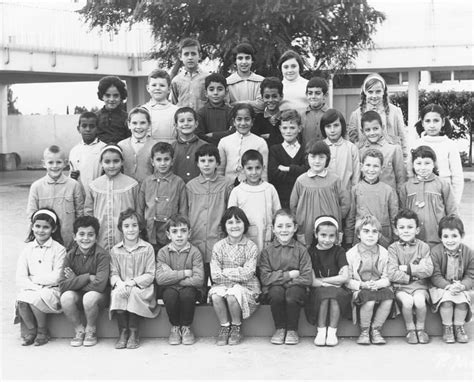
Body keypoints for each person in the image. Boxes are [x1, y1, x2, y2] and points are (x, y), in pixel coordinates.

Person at [209, 207, 261, 346]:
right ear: (225, 226)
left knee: (232, 294)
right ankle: (225, 326)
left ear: (244, 225)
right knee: (215, 295)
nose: (234, 226)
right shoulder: (218, 246)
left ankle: (236, 327)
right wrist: (237, 272)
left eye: (238, 222)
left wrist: (225, 271)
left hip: (247, 287)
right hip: (222, 285)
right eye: (230, 222)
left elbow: (248, 273)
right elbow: (215, 275)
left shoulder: (251, 246)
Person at [259, 209, 312, 345]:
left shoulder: (301, 250)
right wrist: (289, 275)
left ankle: (292, 330)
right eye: (280, 226)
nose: (284, 230)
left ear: (295, 228)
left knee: (292, 294)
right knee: (276, 293)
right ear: (273, 229)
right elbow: (265, 278)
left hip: (295, 289)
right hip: (275, 289)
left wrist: (285, 282)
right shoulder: (267, 251)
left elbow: (307, 277)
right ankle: (280, 328)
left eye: (288, 226)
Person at [109, 209, 159, 349]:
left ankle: (133, 332)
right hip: (122, 286)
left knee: (134, 293)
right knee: (117, 293)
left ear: (140, 227)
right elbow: (113, 273)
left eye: (134, 225)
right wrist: (120, 284)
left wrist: (132, 283)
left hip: (142, 289)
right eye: (126, 226)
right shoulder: (115, 250)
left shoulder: (147, 248)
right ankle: (123, 332)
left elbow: (150, 274)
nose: (130, 229)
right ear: (121, 228)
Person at [15, 208, 65, 346]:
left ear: (53, 229)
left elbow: (56, 277)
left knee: (36, 298)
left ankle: (43, 331)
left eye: (46, 227)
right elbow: (20, 277)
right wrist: (32, 285)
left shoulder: (59, 249)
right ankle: (32, 330)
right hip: (31, 288)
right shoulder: (27, 249)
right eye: (37, 226)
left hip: (52, 290)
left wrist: (34, 279)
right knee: (22, 300)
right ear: (32, 227)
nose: (41, 230)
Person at [186, 144, 234, 288]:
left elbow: (230, 211)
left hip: (218, 238)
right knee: (199, 282)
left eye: (210, 160)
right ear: (197, 163)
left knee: (219, 282)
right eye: (203, 160)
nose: (206, 164)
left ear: (218, 163)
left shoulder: (226, 184)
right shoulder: (190, 186)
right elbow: (185, 212)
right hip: (197, 238)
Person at [59, 216, 110, 347]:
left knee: (89, 297)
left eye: (90, 234)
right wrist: (87, 277)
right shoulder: (70, 255)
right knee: (66, 297)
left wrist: (75, 280)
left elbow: (99, 285)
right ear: (74, 236)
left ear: (96, 237)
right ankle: (79, 329)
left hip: (99, 296)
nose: (86, 238)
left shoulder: (102, 255)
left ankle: (91, 330)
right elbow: (63, 285)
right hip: (81, 293)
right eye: (81, 234)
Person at [155, 214, 204, 345]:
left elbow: (199, 280)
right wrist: (184, 273)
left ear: (189, 233)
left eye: (183, 231)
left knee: (187, 294)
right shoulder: (163, 253)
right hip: (170, 289)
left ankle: (186, 327)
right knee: (170, 295)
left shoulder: (195, 252)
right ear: (168, 234)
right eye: (174, 231)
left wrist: (172, 277)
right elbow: (160, 279)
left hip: (190, 289)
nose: (179, 235)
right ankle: (175, 327)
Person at [290, 140, 350, 246]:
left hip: (330, 229)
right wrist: (301, 220)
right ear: (307, 157)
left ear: (327, 159)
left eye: (321, 157)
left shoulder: (334, 180)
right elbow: (293, 205)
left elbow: (345, 203)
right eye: (313, 157)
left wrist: (337, 216)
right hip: (306, 228)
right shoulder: (301, 181)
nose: (317, 161)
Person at [345, 215, 394, 345]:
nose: (370, 235)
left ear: (379, 235)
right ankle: (364, 331)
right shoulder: (351, 254)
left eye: (374, 232)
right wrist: (362, 285)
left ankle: (376, 329)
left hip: (378, 286)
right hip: (360, 287)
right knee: (370, 300)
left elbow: (388, 277)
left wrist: (377, 284)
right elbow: (347, 279)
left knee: (388, 298)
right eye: (366, 231)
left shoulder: (384, 253)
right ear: (358, 234)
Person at [387, 209, 433, 344]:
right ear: (396, 230)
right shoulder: (393, 248)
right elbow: (392, 272)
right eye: (401, 227)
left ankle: (421, 329)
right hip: (401, 287)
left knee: (419, 301)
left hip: (419, 286)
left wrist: (407, 269)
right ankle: (410, 329)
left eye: (410, 227)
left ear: (417, 230)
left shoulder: (423, 247)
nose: (406, 231)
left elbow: (428, 269)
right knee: (407, 302)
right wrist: (412, 276)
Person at [399, 146, 458, 248]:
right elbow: (402, 213)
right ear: (412, 165)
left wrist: (452, 232)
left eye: (427, 163)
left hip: (437, 237)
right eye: (418, 163)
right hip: (414, 239)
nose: (422, 167)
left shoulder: (442, 184)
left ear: (434, 164)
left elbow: (452, 210)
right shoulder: (406, 187)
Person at [305, 216, 351, 347]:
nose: (327, 239)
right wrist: (332, 281)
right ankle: (321, 331)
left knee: (334, 296)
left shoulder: (339, 251)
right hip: (318, 291)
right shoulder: (311, 252)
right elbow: (312, 282)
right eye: (323, 235)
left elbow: (344, 277)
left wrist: (323, 281)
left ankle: (332, 332)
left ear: (336, 236)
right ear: (315, 234)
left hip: (337, 290)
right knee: (325, 296)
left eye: (331, 236)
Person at [27, 145, 84, 248]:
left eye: (58, 162)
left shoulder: (74, 185)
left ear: (65, 163)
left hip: (68, 241)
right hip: (45, 241)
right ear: (44, 164)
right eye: (50, 162)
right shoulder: (36, 187)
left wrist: (78, 237)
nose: (55, 166)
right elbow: (31, 215)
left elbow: (80, 214)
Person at [84, 145, 138, 252]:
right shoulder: (94, 186)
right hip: (100, 238)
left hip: (125, 238)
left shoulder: (132, 185)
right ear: (101, 163)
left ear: (122, 162)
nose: (112, 165)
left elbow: (138, 210)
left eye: (116, 161)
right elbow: (88, 212)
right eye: (107, 162)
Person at [429, 215, 474, 343]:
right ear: (440, 237)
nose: (450, 240)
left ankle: (458, 326)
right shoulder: (435, 252)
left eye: (454, 236)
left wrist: (463, 286)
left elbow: (471, 275)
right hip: (441, 286)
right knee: (447, 301)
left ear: (462, 235)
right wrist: (448, 286)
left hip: (460, 285)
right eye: (446, 236)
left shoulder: (469, 253)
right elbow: (435, 275)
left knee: (462, 301)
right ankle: (447, 327)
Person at [137, 142, 188, 253]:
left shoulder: (178, 182)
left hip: (171, 232)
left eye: (166, 159)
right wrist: (140, 229)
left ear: (172, 161)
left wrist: (181, 230)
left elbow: (183, 210)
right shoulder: (147, 182)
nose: (163, 163)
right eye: (158, 160)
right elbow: (140, 209)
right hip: (150, 231)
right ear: (152, 162)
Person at [228, 150, 281, 253]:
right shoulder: (237, 191)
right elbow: (231, 218)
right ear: (242, 169)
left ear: (263, 168)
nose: (254, 172)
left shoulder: (269, 189)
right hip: (244, 239)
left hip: (267, 238)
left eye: (257, 168)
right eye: (249, 168)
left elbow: (278, 214)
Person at [411, 104, 464, 206]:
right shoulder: (416, 144)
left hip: (444, 197)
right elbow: (410, 173)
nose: (432, 125)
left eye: (436, 120)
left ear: (443, 122)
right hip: (421, 197)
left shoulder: (450, 145)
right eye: (428, 121)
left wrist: (454, 204)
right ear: (422, 123)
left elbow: (457, 177)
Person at [344, 149, 398, 248]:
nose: (371, 170)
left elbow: (394, 218)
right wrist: (349, 239)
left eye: (376, 166)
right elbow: (350, 217)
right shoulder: (355, 190)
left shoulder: (388, 190)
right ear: (361, 167)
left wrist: (395, 239)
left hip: (383, 238)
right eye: (368, 165)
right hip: (360, 237)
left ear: (382, 169)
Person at [347, 73, 408, 160]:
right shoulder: (356, 115)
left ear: (384, 92)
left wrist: (405, 159)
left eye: (378, 91)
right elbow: (352, 143)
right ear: (365, 92)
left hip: (390, 160)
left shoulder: (395, 112)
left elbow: (403, 138)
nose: (374, 96)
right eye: (370, 92)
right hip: (366, 162)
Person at [217, 103, 268, 184]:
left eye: (247, 119)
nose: (243, 123)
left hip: (252, 189)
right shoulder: (224, 142)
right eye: (239, 119)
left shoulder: (260, 143)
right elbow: (220, 171)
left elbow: (263, 172)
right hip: (228, 188)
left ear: (252, 122)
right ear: (234, 122)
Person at [357, 110, 406, 192]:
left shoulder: (393, 149)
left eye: (375, 128)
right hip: (367, 197)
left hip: (389, 198)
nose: (372, 133)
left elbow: (401, 179)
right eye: (368, 130)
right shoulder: (360, 151)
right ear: (362, 131)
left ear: (382, 128)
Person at [268, 109, 307, 208]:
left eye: (292, 128)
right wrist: (298, 172)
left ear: (299, 128)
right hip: (281, 200)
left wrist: (288, 169)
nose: (288, 131)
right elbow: (274, 174)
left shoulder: (305, 150)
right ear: (280, 128)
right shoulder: (274, 150)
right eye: (285, 128)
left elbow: (307, 172)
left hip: (302, 200)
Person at [321, 108, 360, 192]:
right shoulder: (320, 147)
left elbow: (356, 178)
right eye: (328, 126)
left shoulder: (351, 148)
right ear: (323, 128)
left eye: (336, 125)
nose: (332, 130)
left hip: (346, 196)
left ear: (342, 126)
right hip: (324, 196)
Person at [69, 111, 106, 194]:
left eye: (92, 126)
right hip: (80, 195)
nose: (88, 129)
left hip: (100, 193)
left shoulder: (104, 149)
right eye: (84, 126)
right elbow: (71, 175)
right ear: (78, 129)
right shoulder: (74, 151)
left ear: (98, 129)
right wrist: (72, 176)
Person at [118, 107, 155, 183]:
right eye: (134, 123)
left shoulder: (155, 146)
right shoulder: (121, 145)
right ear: (129, 125)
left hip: (148, 190)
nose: (138, 127)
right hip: (126, 190)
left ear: (149, 125)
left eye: (143, 123)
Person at [170, 37, 208, 111]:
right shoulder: (176, 81)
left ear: (199, 56)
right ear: (180, 57)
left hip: (202, 121)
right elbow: (174, 104)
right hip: (184, 121)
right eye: (186, 54)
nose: (190, 57)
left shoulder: (207, 78)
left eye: (193, 54)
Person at [141, 69, 178, 144]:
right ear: (148, 88)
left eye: (162, 85)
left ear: (169, 89)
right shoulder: (142, 110)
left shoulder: (176, 111)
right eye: (154, 85)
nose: (157, 88)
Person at [171, 107, 207, 183]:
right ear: (176, 125)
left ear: (196, 124)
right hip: (177, 190)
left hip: (198, 190)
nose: (186, 123)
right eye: (182, 121)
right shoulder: (171, 148)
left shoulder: (205, 146)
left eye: (190, 120)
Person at [225, 42, 264, 111]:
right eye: (240, 58)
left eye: (247, 58)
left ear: (252, 60)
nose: (244, 62)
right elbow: (227, 106)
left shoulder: (261, 81)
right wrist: (253, 103)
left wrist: (237, 104)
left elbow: (262, 105)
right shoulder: (227, 83)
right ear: (235, 61)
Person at [197, 73, 233, 146]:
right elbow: (200, 135)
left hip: (228, 147)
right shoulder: (201, 113)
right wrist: (225, 133)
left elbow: (233, 132)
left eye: (220, 89)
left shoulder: (231, 112)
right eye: (211, 89)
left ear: (226, 92)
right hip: (207, 150)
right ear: (206, 93)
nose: (215, 93)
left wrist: (213, 135)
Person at [95, 75, 130, 144]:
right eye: (107, 95)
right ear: (102, 96)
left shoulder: (127, 117)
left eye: (116, 95)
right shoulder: (95, 117)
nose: (111, 99)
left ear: (121, 96)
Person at [252, 77, 284, 146]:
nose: (270, 100)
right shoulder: (257, 120)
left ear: (281, 96)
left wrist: (269, 137)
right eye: (267, 97)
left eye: (274, 96)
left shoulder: (286, 118)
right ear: (262, 97)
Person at [300, 77, 329, 148]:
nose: (313, 96)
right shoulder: (301, 116)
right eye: (310, 93)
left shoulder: (331, 114)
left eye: (317, 93)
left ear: (325, 96)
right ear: (306, 95)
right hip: (307, 156)